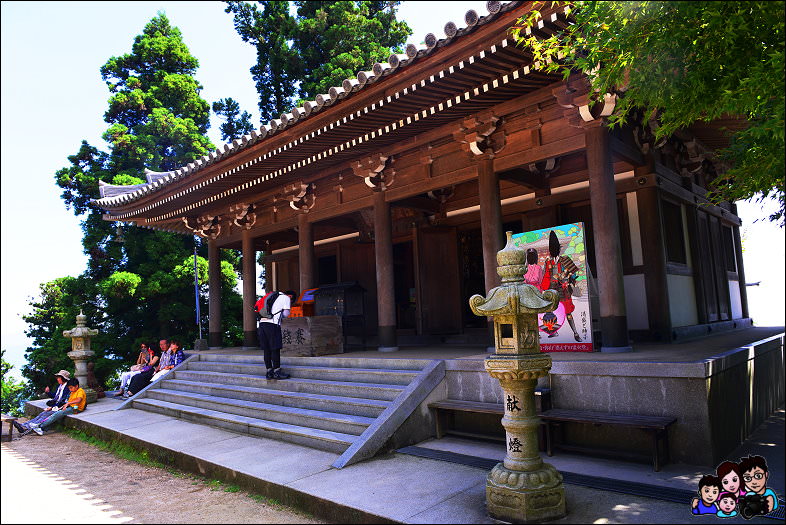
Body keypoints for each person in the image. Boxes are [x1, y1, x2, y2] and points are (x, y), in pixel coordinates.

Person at [12, 370, 71, 434]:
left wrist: (52, 407)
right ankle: (24, 425)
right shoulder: (60, 386)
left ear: (63, 378)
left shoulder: (67, 388)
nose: (57, 379)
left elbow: (63, 400)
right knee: (41, 414)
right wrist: (48, 392)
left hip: (60, 406)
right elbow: (55, 396)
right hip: (56, 405)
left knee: (45, 415)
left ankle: (27, 427)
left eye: (58, 377)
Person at [255, 290, 296, 380]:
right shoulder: (286, 298)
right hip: (273, 324)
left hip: (262, 324)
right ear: (291, 296)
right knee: (275, 348)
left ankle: (269, 372)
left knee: (267, 349)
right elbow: (286, 313)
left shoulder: (272, 296)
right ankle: (277, 372)